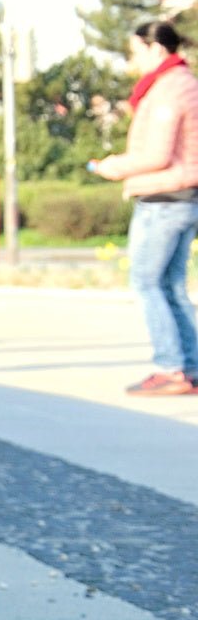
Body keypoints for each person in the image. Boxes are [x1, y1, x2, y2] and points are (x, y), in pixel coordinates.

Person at [93, 20, 198, 395]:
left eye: (135, 52)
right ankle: (189, 367)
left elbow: (155, 154)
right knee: (171, 286)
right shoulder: (183, 82)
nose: (131, 61)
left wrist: (112, 167)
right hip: (181, 198)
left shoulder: (169, 89)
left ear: (156, 49)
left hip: (164, 200)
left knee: (147, 282)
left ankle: (171, 368)